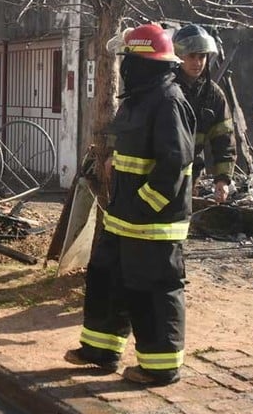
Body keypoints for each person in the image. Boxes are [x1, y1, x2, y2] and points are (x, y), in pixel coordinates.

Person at [64, 23, 196, 386]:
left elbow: (176, 164)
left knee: (151, 292)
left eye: (127, 60)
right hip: (124, 217)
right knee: (107, 280)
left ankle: (160, 367)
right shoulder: (141, 98)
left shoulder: (168, 101)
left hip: (152, 223)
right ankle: (100, 351)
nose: (122, 67)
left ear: (141, 63)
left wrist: (143, 204)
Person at [172, 24, 236, 203]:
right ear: (178, 56)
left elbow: (224, 139)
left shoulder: (213, 95)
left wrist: (222, 180)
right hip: (160, 170)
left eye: (202, 56)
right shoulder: (164, 88)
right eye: (191, 56)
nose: (197, 62)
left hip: (191, 173)